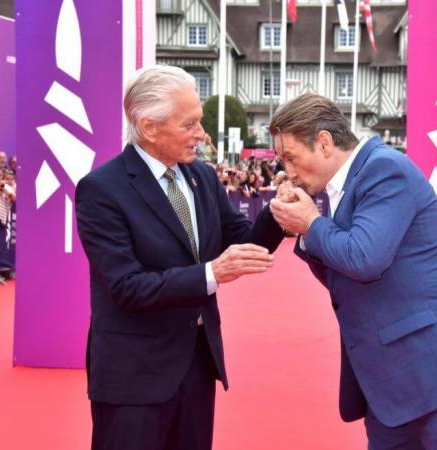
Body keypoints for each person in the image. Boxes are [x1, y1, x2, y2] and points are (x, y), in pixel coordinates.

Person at [268, 93, 437, 449]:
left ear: (324, 142)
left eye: (290, 157)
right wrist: (308, 230)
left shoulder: (384, 169)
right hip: (389, 386)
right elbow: (344, 276)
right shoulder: (343, 189)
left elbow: (364, 259)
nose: (288, 171)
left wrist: (311, 224)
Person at [74, 65, 285, 450]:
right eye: (190, 124)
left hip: (196, 365)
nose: (202, 135)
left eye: (200, 122)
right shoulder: (102, 191)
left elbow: (244, 240)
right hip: (134, 376)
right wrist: (210, 273)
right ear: (149, 127)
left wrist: (278, 208)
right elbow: (125, 287)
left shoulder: (201, 177)